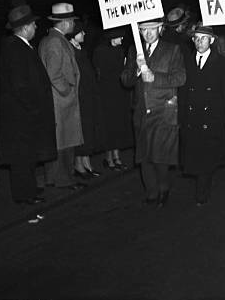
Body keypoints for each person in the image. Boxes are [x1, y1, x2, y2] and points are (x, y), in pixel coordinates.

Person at [121, 18, 186, 208]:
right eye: (143, 30)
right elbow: (125, 80)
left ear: (160, 29)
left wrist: (155, 77)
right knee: (144, 156)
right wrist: (136, 70)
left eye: (152, 29)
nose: (148, 34)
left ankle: (163, 188)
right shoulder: (135, 50)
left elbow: (180, 77)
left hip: (164, 109)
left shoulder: (172, 49)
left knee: (161, 155)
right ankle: (151, 192)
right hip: (141, 111)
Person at [0, 3, 57, 205]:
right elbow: (20, 85)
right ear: (24, 27)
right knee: (22, 158)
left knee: (27, 156)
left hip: (25, 114)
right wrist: (35, 109)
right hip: (22, 116)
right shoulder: (14, 48)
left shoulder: (21, 46)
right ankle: (24, 196)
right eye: (33, 24)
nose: (35, 28)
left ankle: (29, 192)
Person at [179, 25, 225, 206]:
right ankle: (201, 185)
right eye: (196, 38)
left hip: (212, 118)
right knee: (195, 155)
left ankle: (202, 192)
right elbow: (182, 92)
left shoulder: (221, 62)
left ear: (211, 40)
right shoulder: (187, 61)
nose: (199, 42)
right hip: (192, 117)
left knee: (206, 158)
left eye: (203, 38)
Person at [38, 3, 85, 190]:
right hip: (61, 101)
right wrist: (67, 90)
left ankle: (56, 178)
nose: (74, 24)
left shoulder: (54, 39)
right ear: (64, 23)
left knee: (64, 141)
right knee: (63, 142)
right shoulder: (55, 42)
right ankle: (63, 180)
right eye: (72, 21)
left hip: (61, 101)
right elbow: (54, 73)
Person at [92, 27, 133, 171]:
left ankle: (117, 156)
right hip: (107, 93)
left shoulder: (120, 50)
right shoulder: (100, 51)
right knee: (109, 125)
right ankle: (108, 157)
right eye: (119, 37)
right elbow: (102, 72)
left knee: (118, 125)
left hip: (120, 92)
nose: (121, 40)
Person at [67, 21, 103, 178]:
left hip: (88, 95)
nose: (84, 34)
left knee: (88, 129)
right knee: (81, 129)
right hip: (79, 96)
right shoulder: (70, 50)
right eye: (81, 32)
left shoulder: (82, 49)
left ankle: (86, 162)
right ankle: (79, 165)